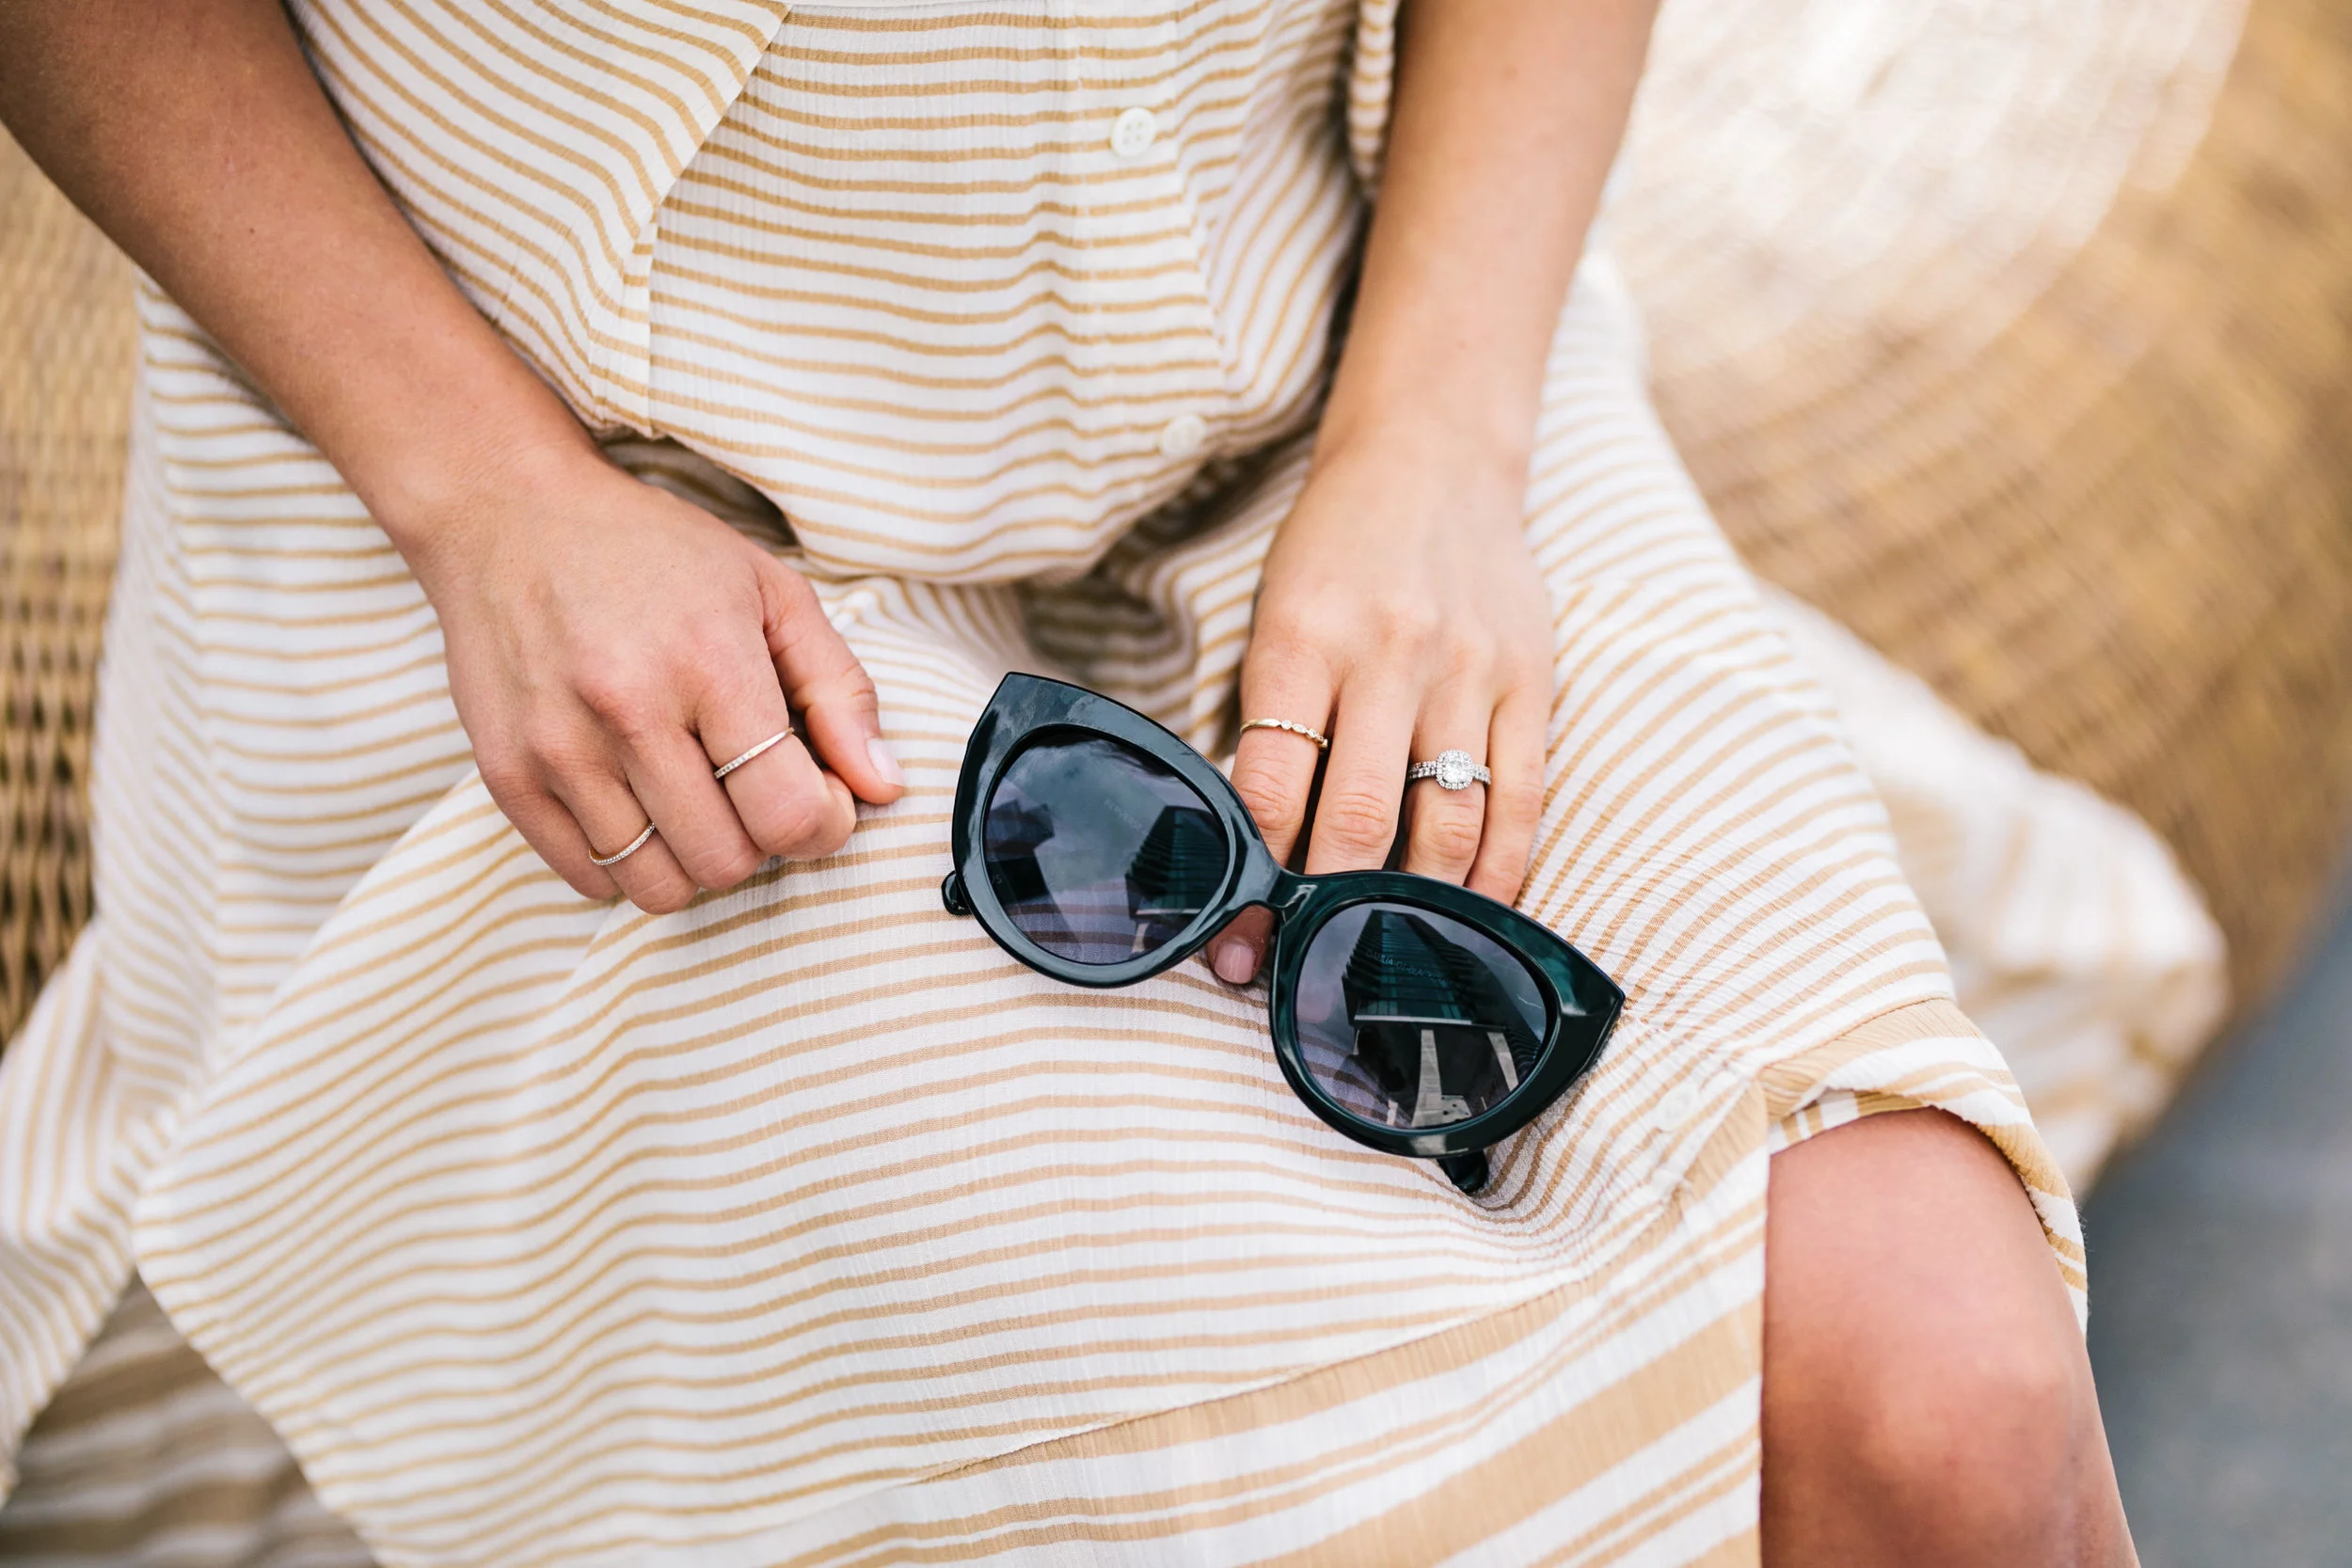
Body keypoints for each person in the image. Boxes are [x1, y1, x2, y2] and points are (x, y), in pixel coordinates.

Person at [0, 0, 2135, 1561]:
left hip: (1360, 356)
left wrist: (1440, 437)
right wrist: (481, 494)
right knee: (1342, 1501)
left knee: (1940, 1391)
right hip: (610, 529)